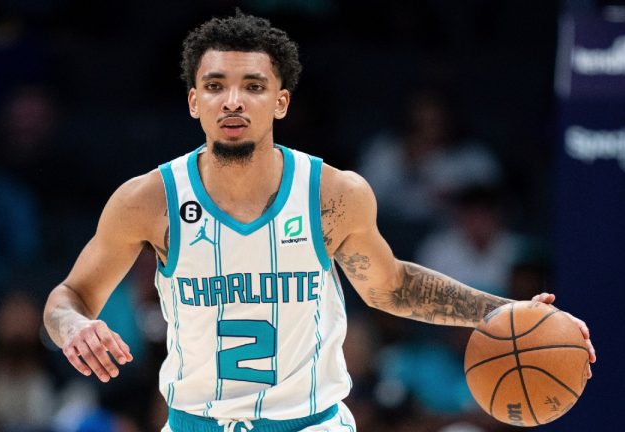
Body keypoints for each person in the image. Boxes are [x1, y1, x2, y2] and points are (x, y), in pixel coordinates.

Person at [43, 11, 596, 432]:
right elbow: (68, 296)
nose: (233, 100)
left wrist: (501, 312)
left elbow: (392, 286)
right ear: (193, 101)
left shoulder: (333, 195)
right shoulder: (149, 200)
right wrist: (74, 326)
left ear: (281, 102)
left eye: (253, 86)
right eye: (215, 85)